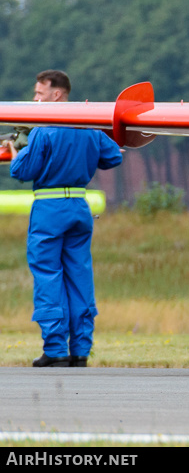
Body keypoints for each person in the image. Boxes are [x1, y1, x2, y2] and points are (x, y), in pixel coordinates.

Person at [6, 70, 121, 367]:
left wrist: (18, 149)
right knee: (80, 275)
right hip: (80, 206)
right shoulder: (90, 127)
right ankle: (81, 350)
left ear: (57, 94)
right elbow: (113, 157)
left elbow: (21, 171)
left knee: (48, 274)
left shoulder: (43, 130)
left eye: (39, 94)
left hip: (49, 208)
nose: (35, 99)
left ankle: (55, 349)